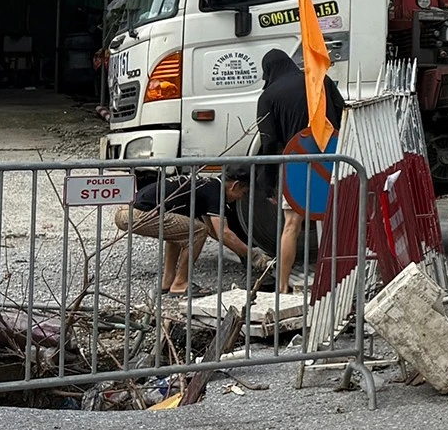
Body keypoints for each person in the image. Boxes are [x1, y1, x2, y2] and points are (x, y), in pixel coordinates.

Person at [256, 47, 346, 294]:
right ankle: (338, 282)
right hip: (331, 160)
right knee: (334, 221)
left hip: (295, 166)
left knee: (291, 225)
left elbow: (269, 143)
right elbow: (342, 113)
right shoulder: (319, 80)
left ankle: (283, 285)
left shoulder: (268, 97)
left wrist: (269, 184)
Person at [115, 170, 271, 295]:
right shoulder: (216, 192)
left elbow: (214, 232)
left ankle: (167, 282)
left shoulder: (206, 186)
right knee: (197, 230)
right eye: (242, 193)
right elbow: (223, 233)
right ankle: (181, 283)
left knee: (181, 232)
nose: (239, 198)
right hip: (139, 214)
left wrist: (243, 252)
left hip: (125, 211)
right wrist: (253, 256)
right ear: (235, 185)